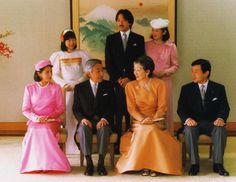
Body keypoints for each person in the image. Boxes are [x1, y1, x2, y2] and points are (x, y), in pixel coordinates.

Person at [116, 56, 182, 177]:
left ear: (147, 71)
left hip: (156, 119)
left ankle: (153, 165)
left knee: (151, 129)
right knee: (146, 130)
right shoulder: (130, 86)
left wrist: (153, 119)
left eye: (138, 70)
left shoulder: (159, 84)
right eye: (134, 69)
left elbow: (162, 106)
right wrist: (142, 119)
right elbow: (131, 108)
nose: (135, 72)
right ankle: (146, 165)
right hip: (138, 121)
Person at [177, 59, 230, 176]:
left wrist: (221, 119)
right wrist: (187, 120)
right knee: (189, 130)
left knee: (220, 129)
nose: (192, 74)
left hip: (212, 123)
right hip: (193, 123)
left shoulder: (219, 88)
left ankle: (218, 165)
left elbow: (224, 108)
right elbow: (181, 109)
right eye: (192, 71)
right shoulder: (186, 89)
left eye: (196, 71)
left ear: (206, 73)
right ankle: (194, 165)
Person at [20, 60, 71, 173]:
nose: (50, 75)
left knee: (45, 129)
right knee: (34, 130)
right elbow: (25, 109)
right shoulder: (30, 88)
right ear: (39, 73)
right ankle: (36, 164)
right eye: (47, 72)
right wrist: (36, 118)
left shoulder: (56, 87)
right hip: (35, 121)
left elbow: (61, 108)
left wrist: (48, 117)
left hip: (52, 120)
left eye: (51, 72)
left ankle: (50, 165)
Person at [105, 9, 145, 152]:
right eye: (118, 20)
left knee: (132, 112)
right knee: (117, 111)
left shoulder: (139, 39)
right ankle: (117, 144)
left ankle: (133, 142)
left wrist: (130, 77)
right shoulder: (111, 39)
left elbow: (140, 62)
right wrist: (118, 79)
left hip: (133, 82)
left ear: (130, 22)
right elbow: (108, 62)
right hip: (116, 83)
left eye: (123, 19)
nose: (120, 22)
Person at [73, 59, 115, 176]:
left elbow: (112, 106)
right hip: (87, 121)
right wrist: (82, 119)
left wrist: (104, 119)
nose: (102, 73)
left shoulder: (108, 86)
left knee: (104, 128)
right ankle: (89, 162)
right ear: (89, 73)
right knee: (83, 128)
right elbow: (76, 108)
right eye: (98, 71)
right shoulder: (79, 88)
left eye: (102, 70)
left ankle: (101, 163)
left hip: (103, 120)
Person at [50, 29, 89, 154]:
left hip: (80, 88)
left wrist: (78, 83)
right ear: (63, 41)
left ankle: (80, 144)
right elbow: (54, 74)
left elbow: (86, 72)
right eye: (68, 40)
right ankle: (68, 145)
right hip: (66, 89)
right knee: (67, 116)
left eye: (73, 39)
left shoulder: (82, 54)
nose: (71, 42)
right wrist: (64, 84)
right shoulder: (58, 55)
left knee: (79, 115)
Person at [145, 18, 178, 135]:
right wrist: (150, 73)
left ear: (164, 32)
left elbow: (175, 66)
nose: (154, 33)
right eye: (153, 30)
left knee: (165, 109)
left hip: (165, 82)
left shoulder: (171, 46)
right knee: (151, 107)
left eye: (157, 31)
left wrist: (163, 72)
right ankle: (152, 138)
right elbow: (143, 63)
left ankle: (167, 137)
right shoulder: (146, 46)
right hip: (150, 81)